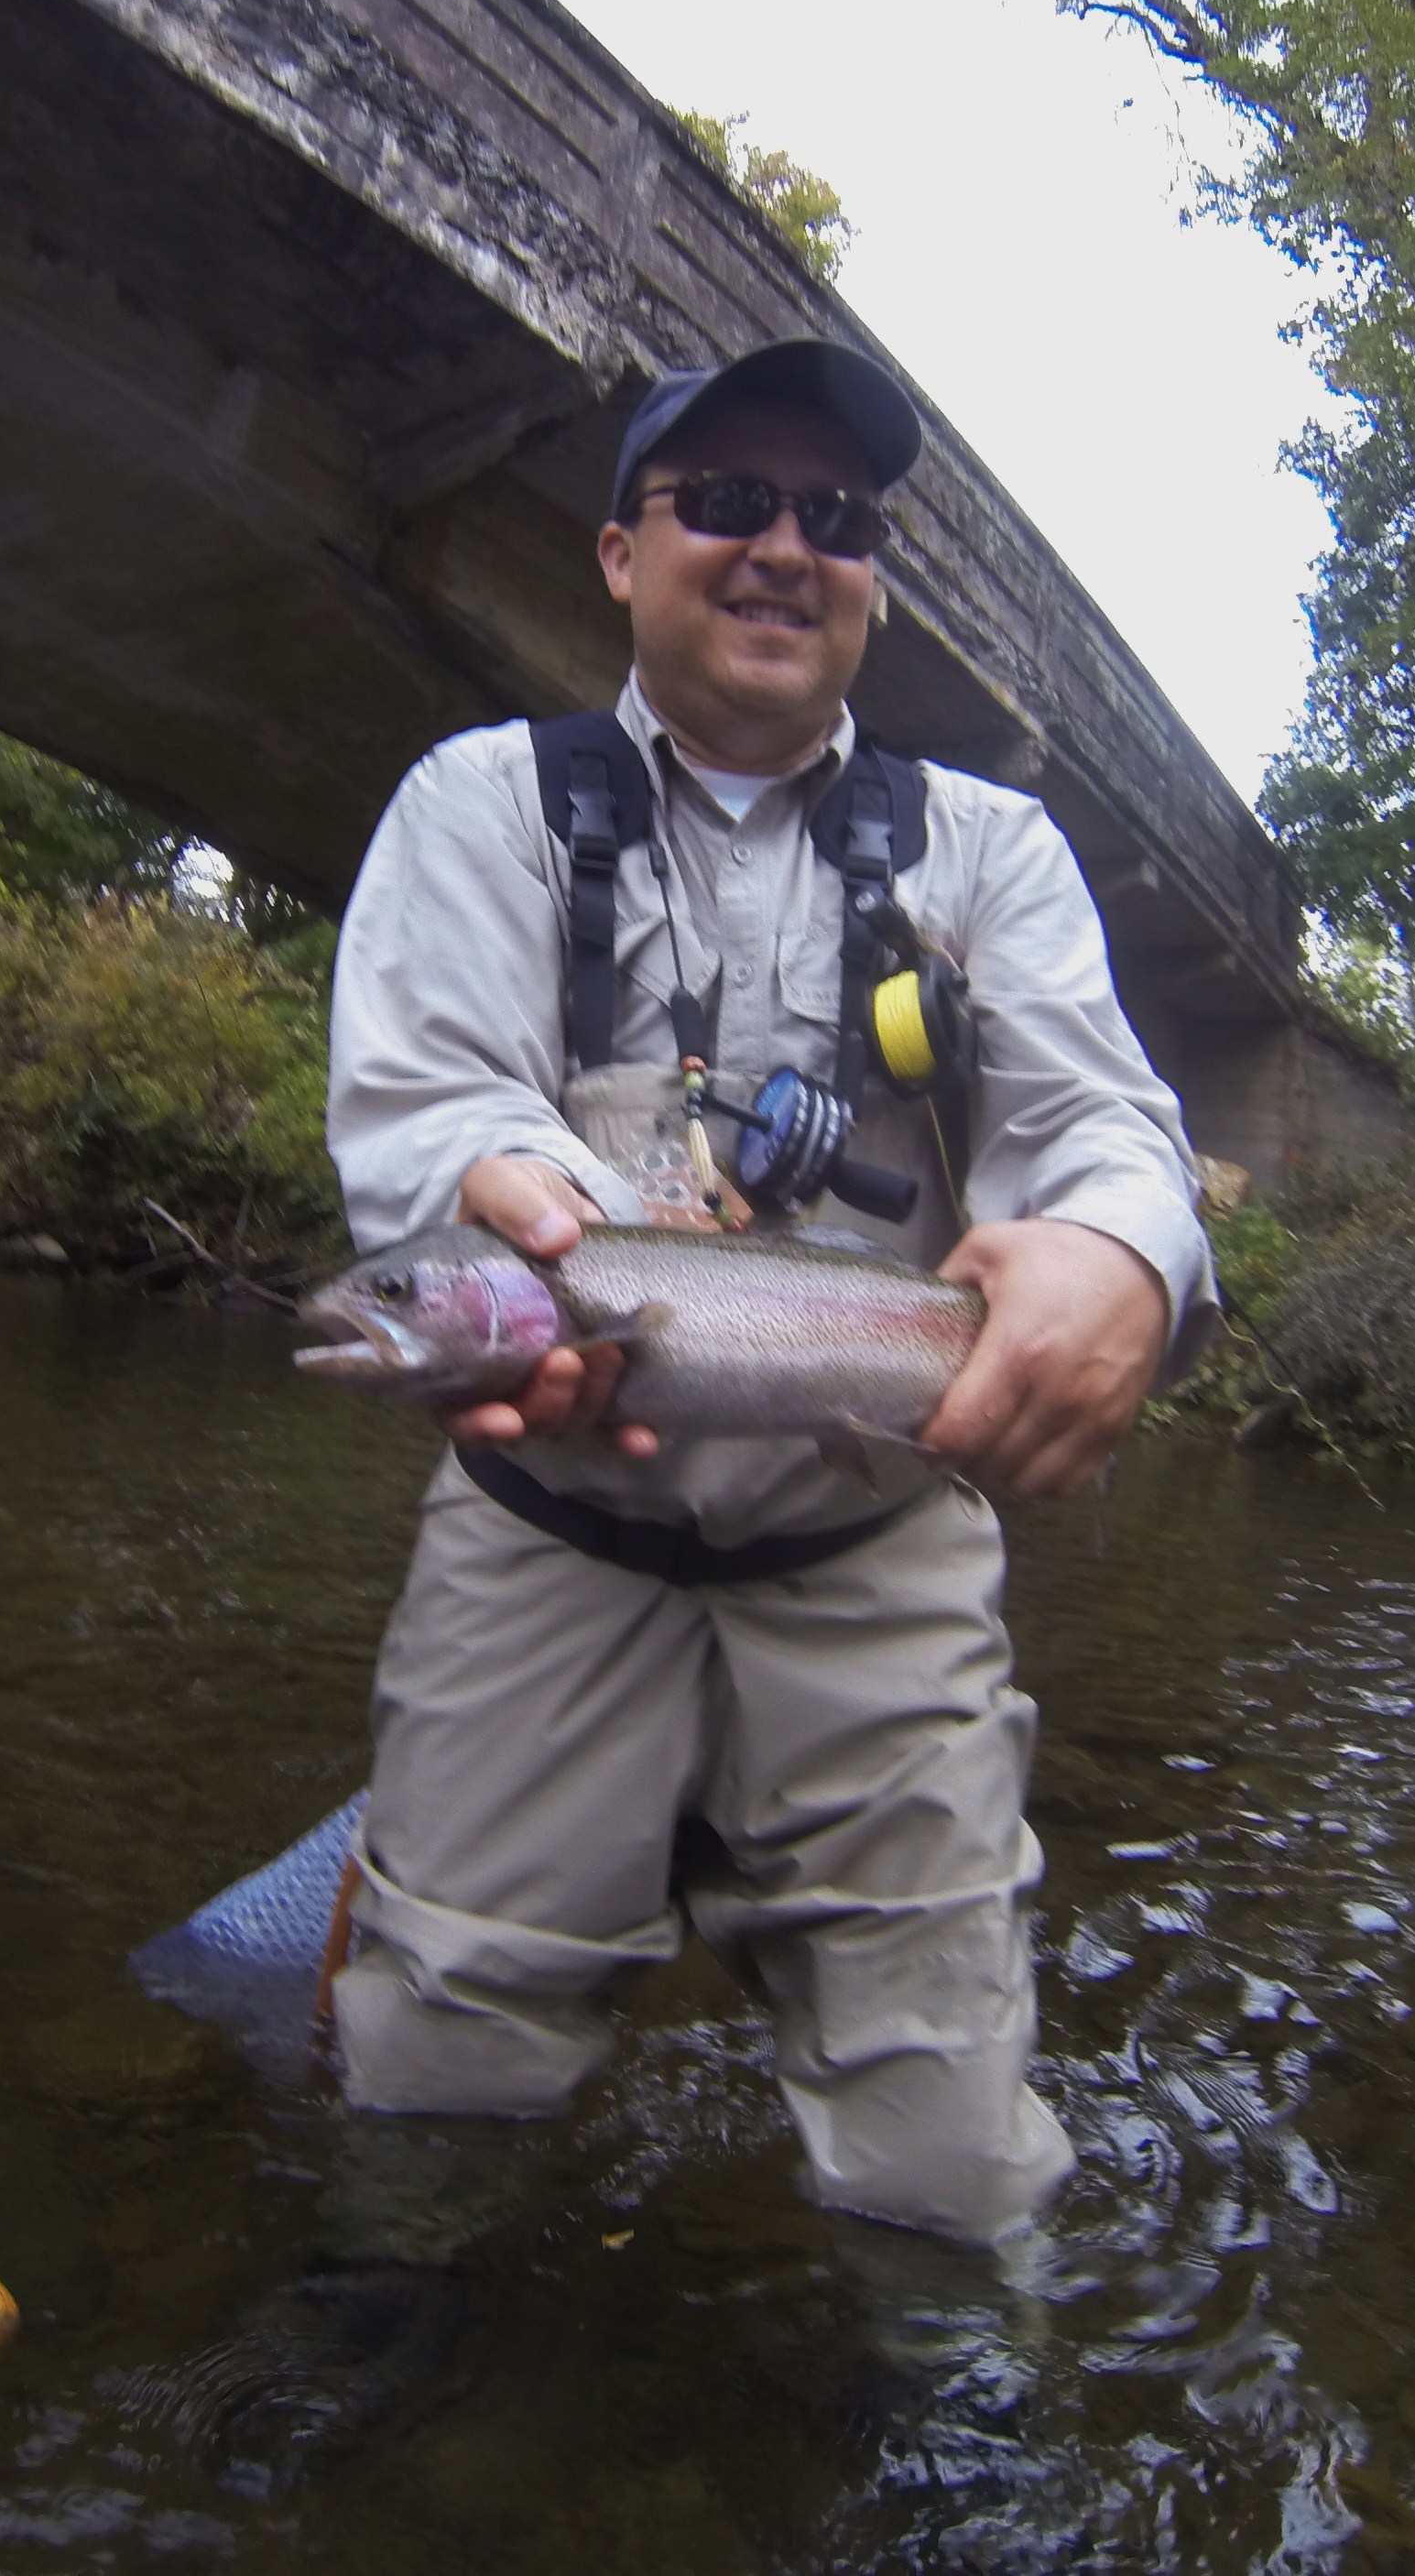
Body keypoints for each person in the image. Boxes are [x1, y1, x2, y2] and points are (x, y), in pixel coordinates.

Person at [324, 336, 1216, 2247]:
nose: (779, 547)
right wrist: (544, 1222)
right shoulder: (480, 806)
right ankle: (380, 2345)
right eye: (722, 501)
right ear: (615, 554)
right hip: (546, 1536)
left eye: (832, 516)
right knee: (437, 2064)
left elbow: (1098, 1131)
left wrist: (1120, 1256)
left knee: (943, 2150)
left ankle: (961, 2436)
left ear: (872, 578)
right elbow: (435, 1102)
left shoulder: (993, 853)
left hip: (869, 1549)